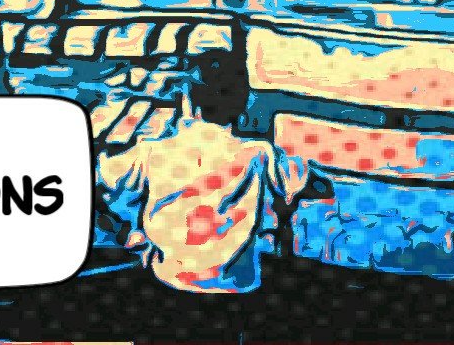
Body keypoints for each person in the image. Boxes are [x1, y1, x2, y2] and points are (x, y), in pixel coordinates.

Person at [96, 75, 308, 293]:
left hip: (169, 278)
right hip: (236, 284)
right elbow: (297, 179)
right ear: (241, 106)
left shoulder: (152, 151)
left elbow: (97, 180)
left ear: (188, 105)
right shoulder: (258, 152)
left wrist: (124, 232)